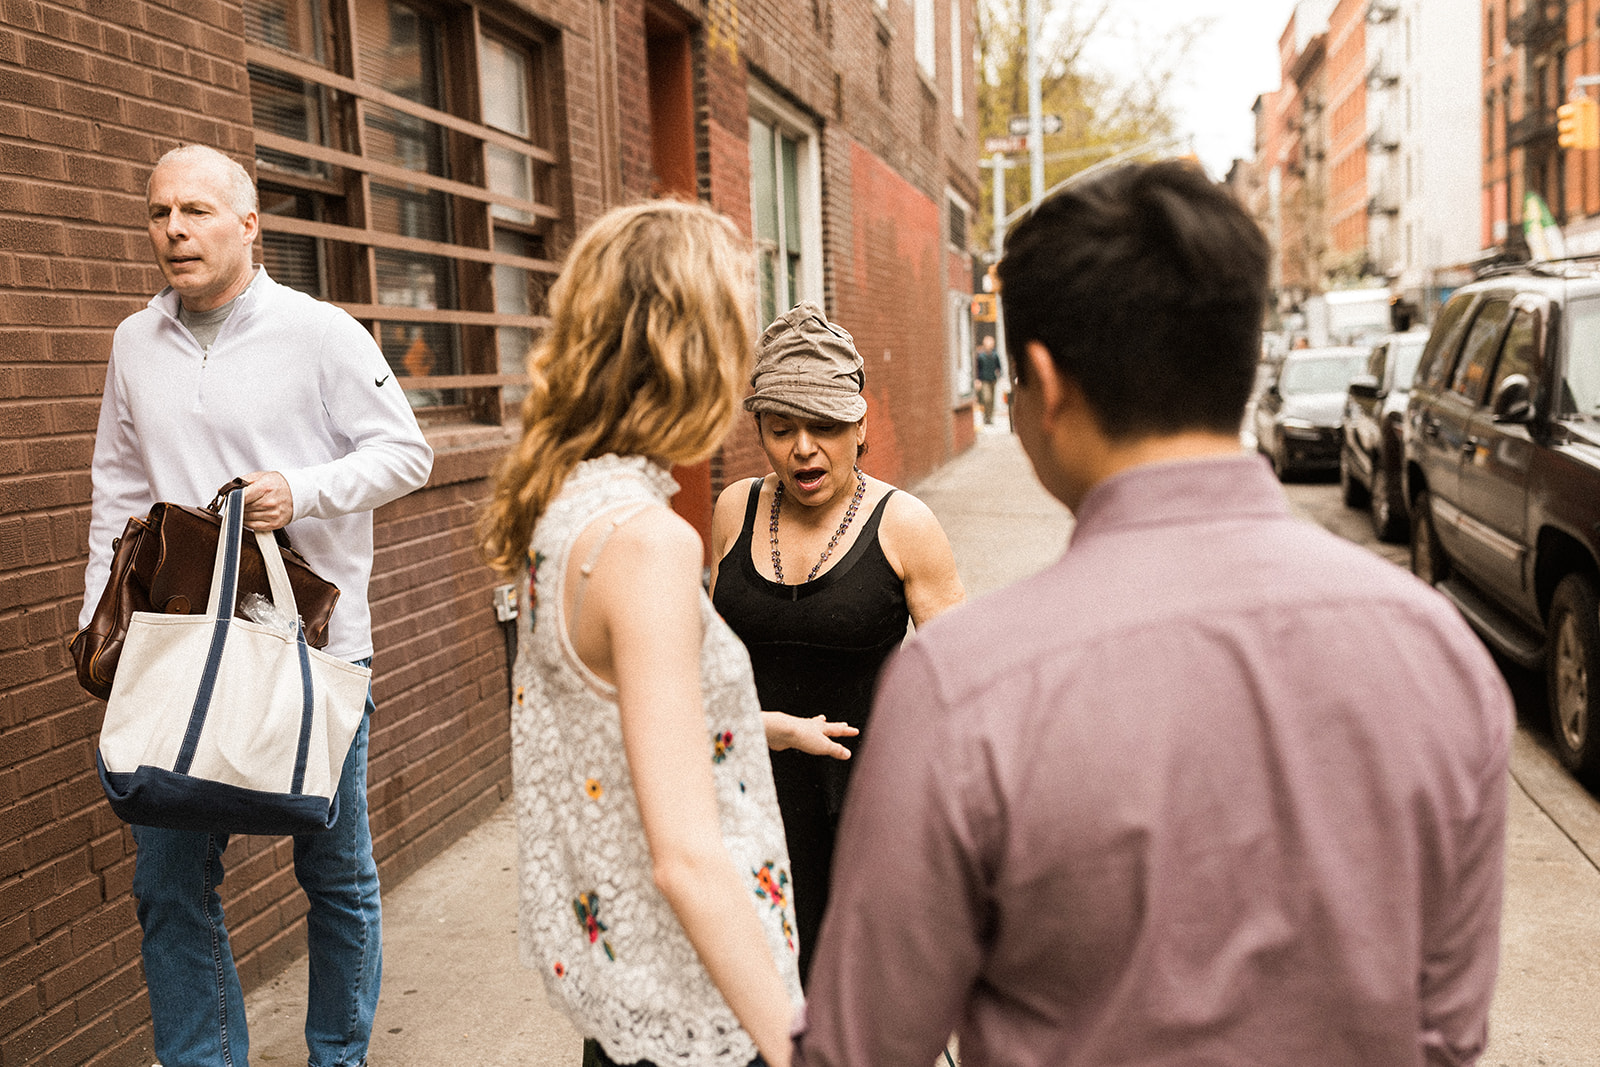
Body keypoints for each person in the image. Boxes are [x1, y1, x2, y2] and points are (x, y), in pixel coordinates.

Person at [792, 161, 1513, 1066]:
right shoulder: (1440, 653)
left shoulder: (963, 686)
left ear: (1044, 384)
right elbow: (1448, 1033)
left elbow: (864, 1048)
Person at [79, 144, 433, 1067]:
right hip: (177, 650)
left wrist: (301, 490)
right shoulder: (133, 343)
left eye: (196, 210)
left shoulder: (321, 333)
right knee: (169, 882)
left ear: (249, 223)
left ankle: (337, 1056)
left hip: (310, 651)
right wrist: (102, 629)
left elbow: (407, 454)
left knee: (334, 872)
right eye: (159, 212)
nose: (174, 230)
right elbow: (117, 491)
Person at [478, 200, 802, 1067]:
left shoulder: (562, 509)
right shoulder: (650, 543)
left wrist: (756, 727)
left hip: (624, 999)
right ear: (690, 349)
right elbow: (686, 860)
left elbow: (610, 725)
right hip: (695, 1009)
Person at [708, 302, 964, 984]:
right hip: (747, 794)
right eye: (781, 426)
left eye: (824, 425)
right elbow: (710, 666)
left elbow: (961, 688)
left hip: (861, 807)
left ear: (859, 423)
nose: (802, 448)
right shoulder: (736, 509)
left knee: (847, 1001)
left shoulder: (905, 525)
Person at [973, 334, 1001, 425]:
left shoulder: (995, 355)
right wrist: (977, 379)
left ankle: (989, 417)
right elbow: (978, 368)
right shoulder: (981, 356)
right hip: (984, 379)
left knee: (992, 399)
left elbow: (998, 366)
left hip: (992, 379)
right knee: (986, 398)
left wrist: (1000, 375)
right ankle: (986, 416)